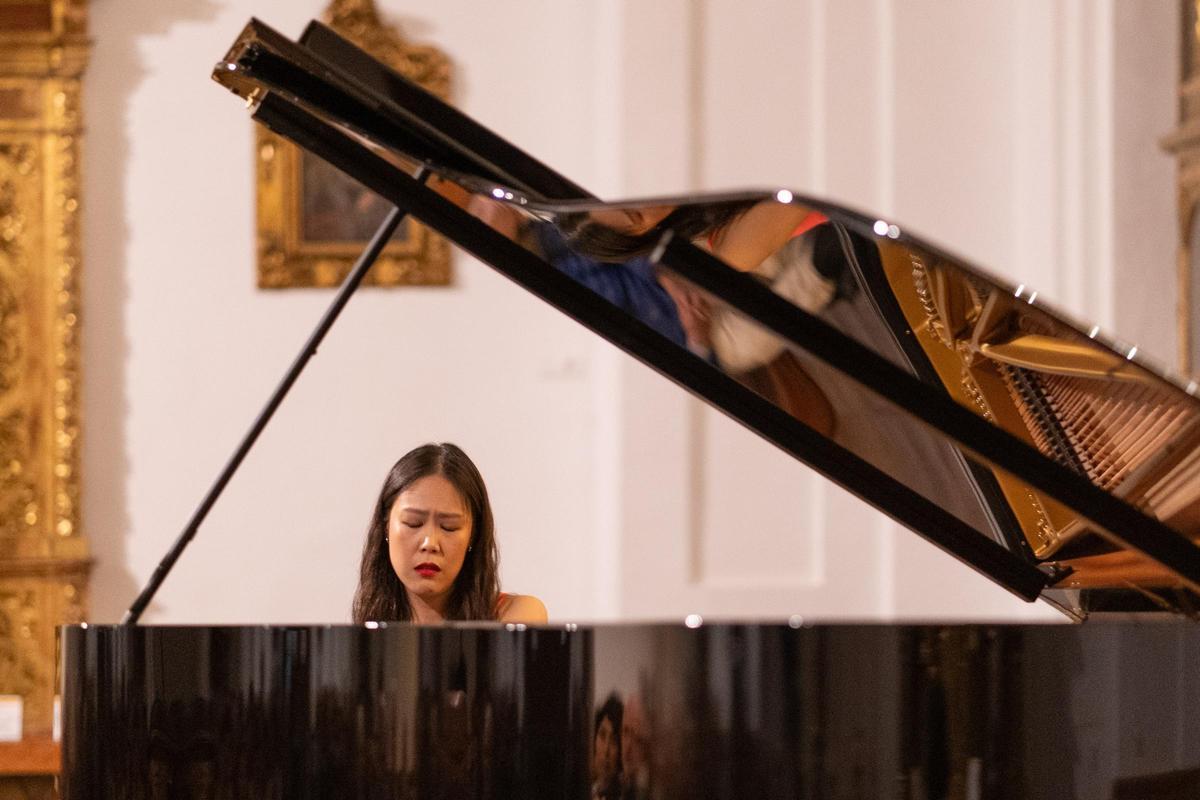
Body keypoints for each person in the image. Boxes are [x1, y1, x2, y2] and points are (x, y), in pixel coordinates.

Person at [351, 442, 547, 624]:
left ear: (473, 534)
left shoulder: (514, 616)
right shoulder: (368, 629)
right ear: (386, 526)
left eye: (449, 527)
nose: (430, 543)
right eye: (413, 523)